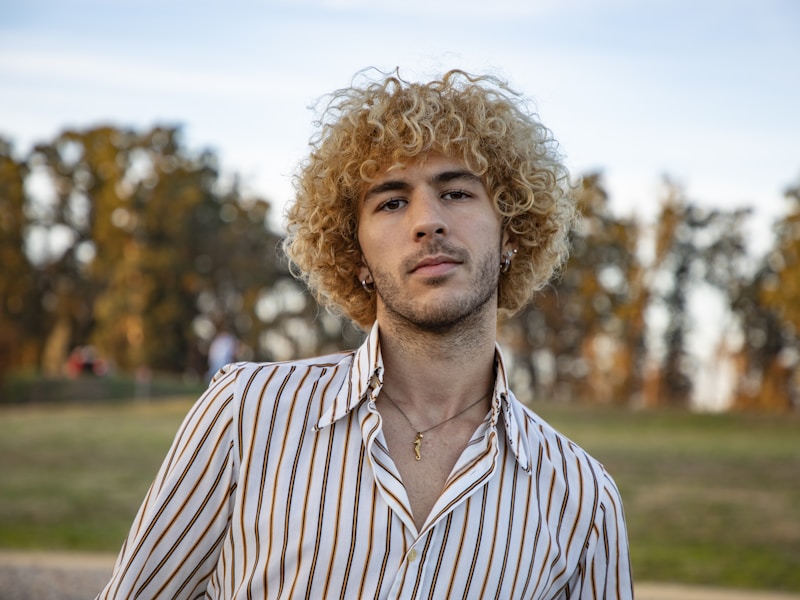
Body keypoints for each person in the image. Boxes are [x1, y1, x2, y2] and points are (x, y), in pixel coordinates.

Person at [98, 69, 633, 599]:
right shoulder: (245, 415)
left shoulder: (583, 501)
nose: (427, 222)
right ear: (356, 256)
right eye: (392, 202)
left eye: (458, 192)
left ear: (511, 228)